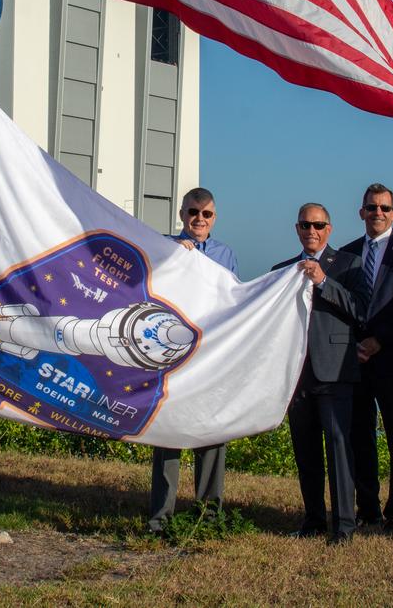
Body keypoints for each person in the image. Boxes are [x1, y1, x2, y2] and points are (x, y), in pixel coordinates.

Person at [272, 203, 369, 543]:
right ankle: (313, 520)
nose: (311, 231)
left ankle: (344, 525)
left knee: (339, 449)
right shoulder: (282, 270)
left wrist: (323, 280)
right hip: (296, 374)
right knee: (306, 450)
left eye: (317, 225)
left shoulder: (349, 264)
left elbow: (360, 310)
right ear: (297, 229)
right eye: (305, 225)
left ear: (329, 229)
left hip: (334, 369)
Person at [148, 187, 237, 533]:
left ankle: (208, 518)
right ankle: (161, 518)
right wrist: (172, 257)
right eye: (193, 212)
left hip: (210, 355)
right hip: (171, 354)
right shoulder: (163, 246)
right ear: (182, 214)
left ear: (215, 218)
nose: (199, 219)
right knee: (167, 433)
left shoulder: (226, 254)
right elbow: (148, 286)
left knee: (212, 431)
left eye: (206, 214)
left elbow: (233, 300)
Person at [341, 183, 393, 535]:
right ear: (361, 212)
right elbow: (341, 306)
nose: (378, 213)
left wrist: (379, 341)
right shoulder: (346, 254)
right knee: (360, 438)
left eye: (384, 208)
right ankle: (369, 510)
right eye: (372, 207)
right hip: (356, 361)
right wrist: (356, 345)